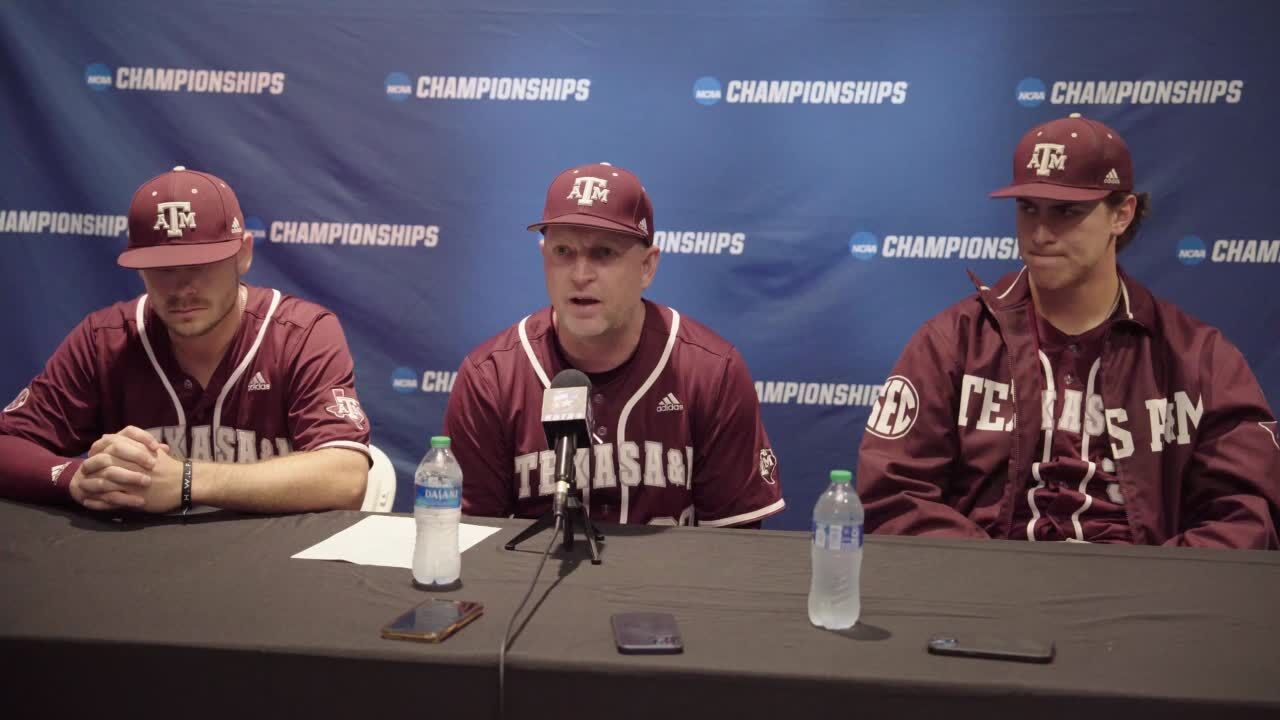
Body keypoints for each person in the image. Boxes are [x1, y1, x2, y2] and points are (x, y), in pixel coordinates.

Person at [857, 114, 1280, 548]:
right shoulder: (953, 343)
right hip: (986, 597)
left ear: (1122, 214)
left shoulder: (1197, 357)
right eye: (1027, 209)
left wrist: (1155, 587)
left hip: (1144, 603)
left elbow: (1247, 510)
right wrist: (988, 577)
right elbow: (894, 492)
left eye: (1066, 212)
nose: (1040, 234)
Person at [0, 167, 370, 513]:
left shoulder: (300, 333)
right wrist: (76, 478)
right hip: (139, 566)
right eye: (163, 269)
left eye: (200, 265)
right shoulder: (105, 339)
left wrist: (186, 480)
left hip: (270, 564)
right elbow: (8, 445)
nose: (182, 288)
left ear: (243, 254)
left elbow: (346, 476)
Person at [444, 163, 783, 527]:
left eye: (604, 253)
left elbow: (737, 547)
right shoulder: (491, 377)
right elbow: (467, 540)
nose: (580, 275)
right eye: (563, 251)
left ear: (647, 267)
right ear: (544, 258)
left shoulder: (712, 371)